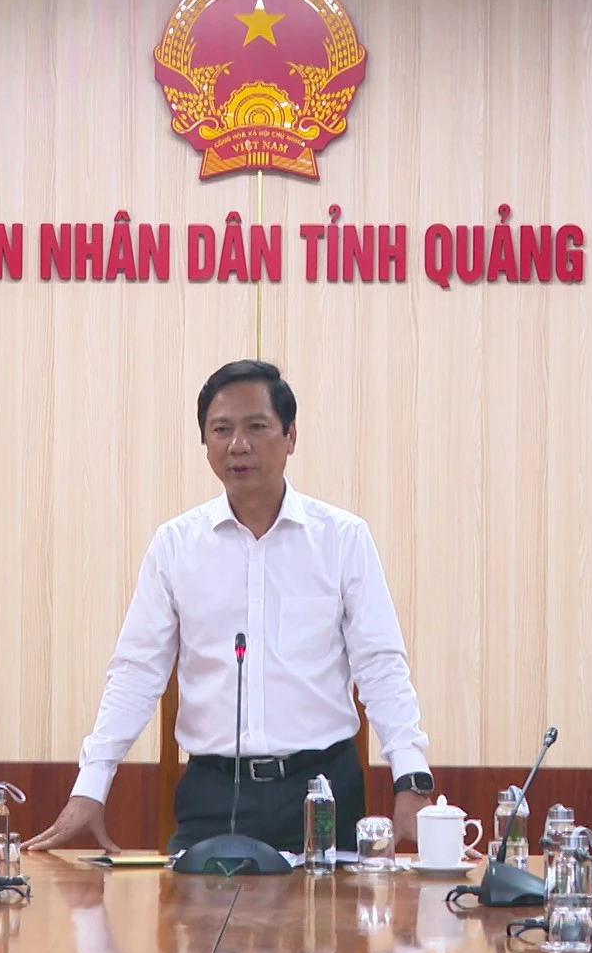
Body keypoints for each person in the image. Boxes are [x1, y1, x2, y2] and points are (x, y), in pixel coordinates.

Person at [25, 360, 436, 855]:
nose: (238, 445)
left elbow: (380, 666)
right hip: (213, 793)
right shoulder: (176, 545)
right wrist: (91, 786)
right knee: (194, 905)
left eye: (256, 427)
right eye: (221, 430)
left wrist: (412, 781)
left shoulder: (342, 539)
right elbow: (136, 672)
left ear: (291, 437)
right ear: (206, 444)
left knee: (332, 909)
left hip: (322, 792)